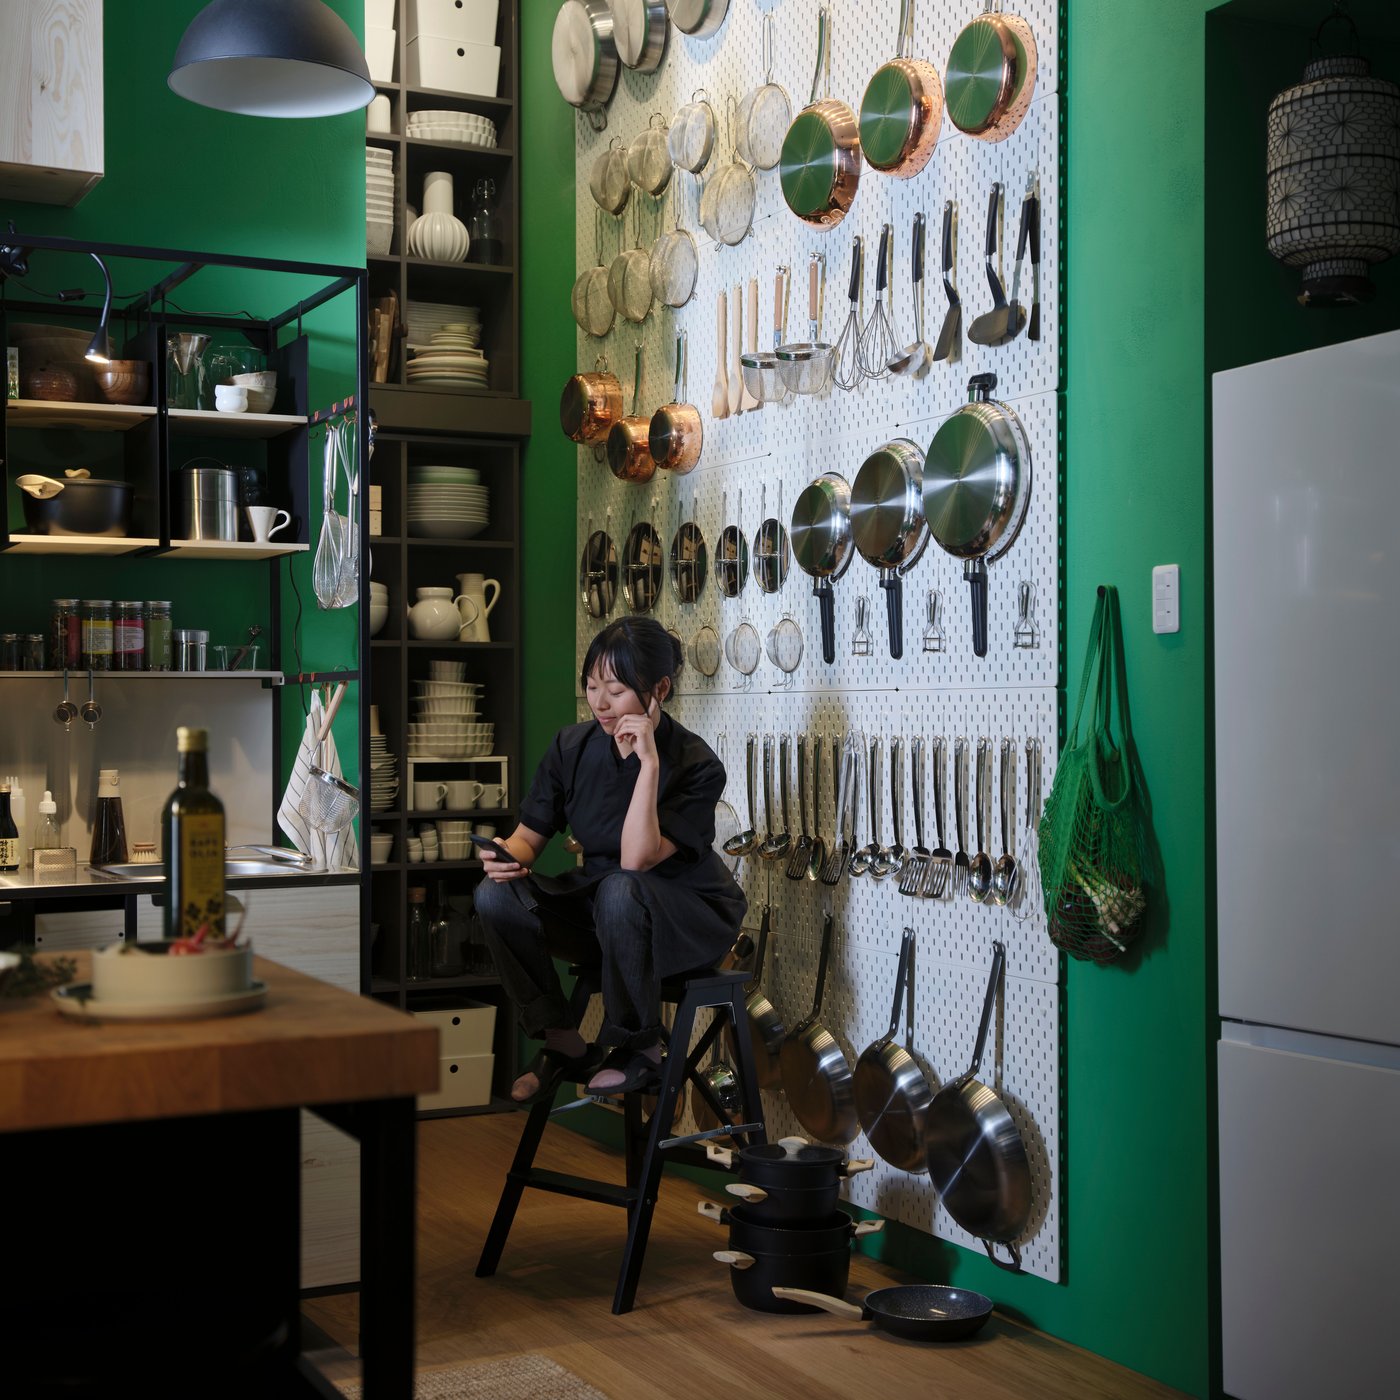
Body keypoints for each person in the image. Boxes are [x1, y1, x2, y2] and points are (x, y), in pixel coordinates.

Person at [474, 617, 746, 1103]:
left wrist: (649, 765)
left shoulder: (696, 763)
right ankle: (562, 1041)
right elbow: (526, 842)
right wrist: (500, 857)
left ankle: (638, 1048)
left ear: (658, 688)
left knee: (622, 885)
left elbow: (638, 860)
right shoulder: (571, 747)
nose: (599, 703)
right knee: (494, 895)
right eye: (592, 686)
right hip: (603, 910)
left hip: (685, 915)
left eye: (616, 690)